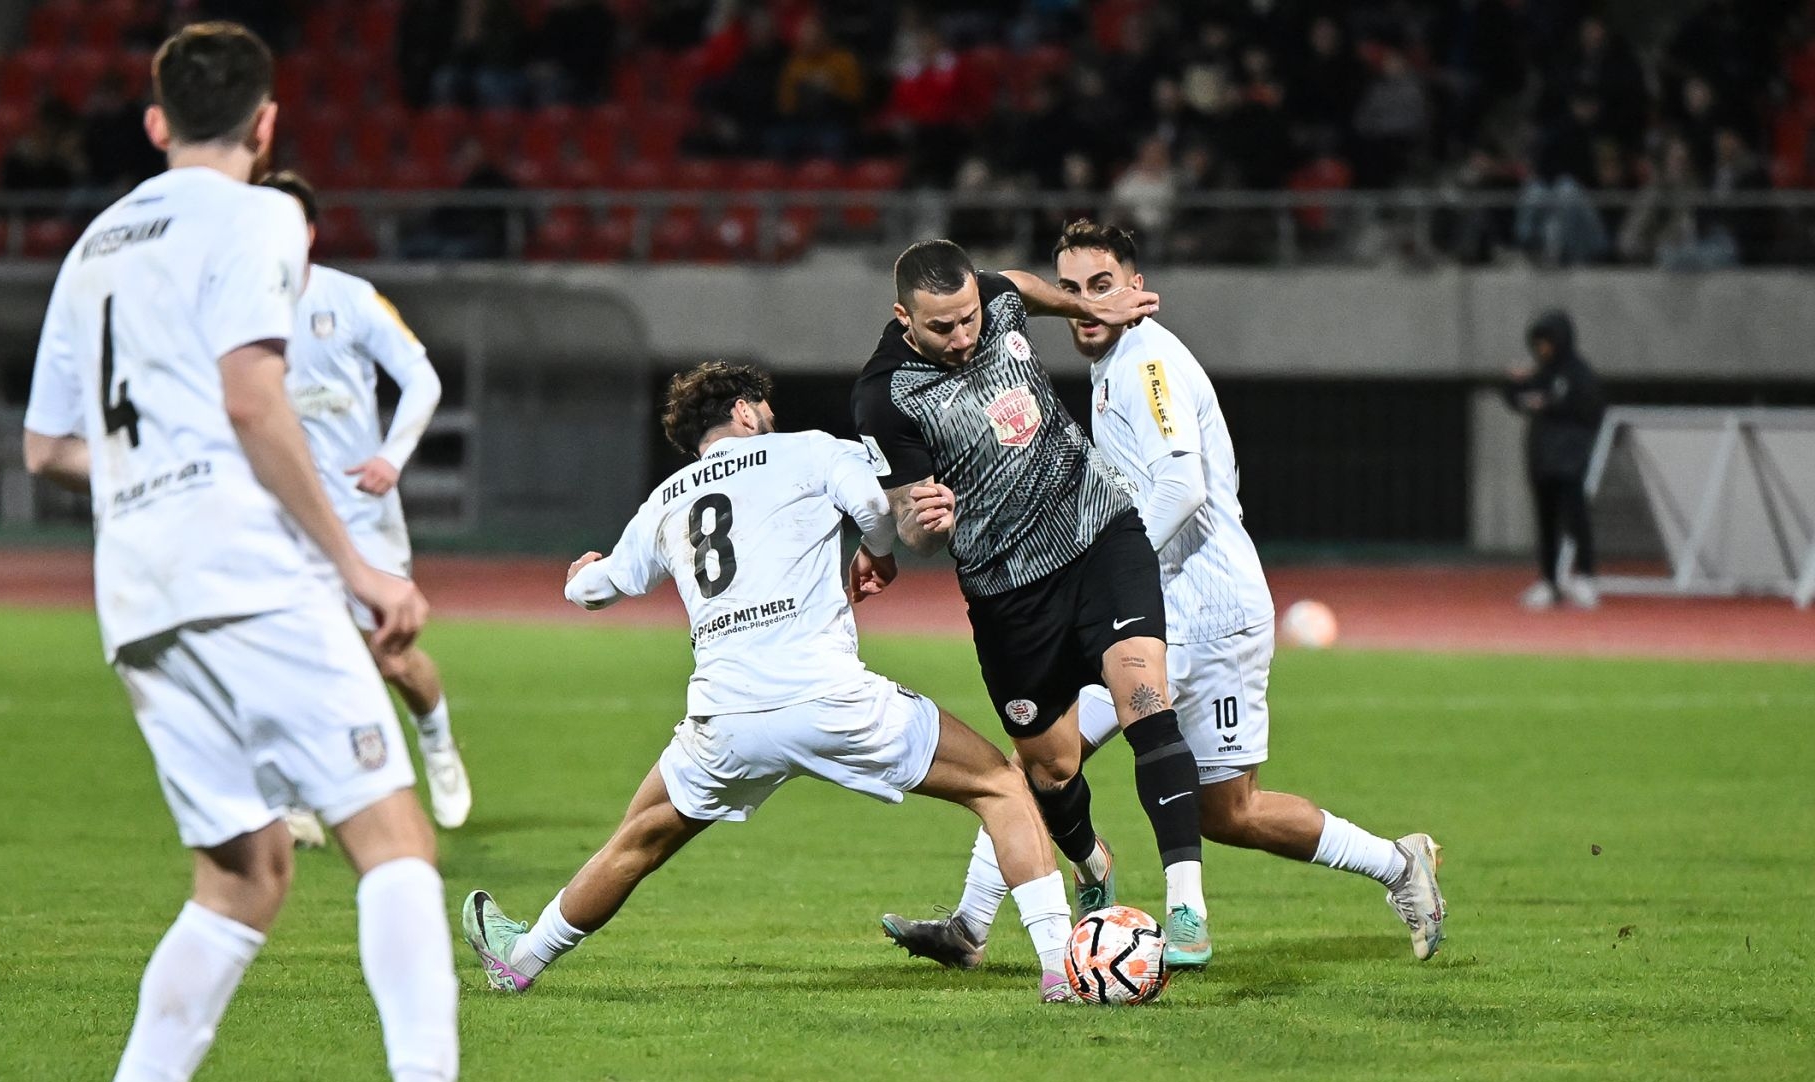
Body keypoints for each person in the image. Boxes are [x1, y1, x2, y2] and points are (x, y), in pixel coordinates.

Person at [21, 23, 565, 1082]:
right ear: (266, 126)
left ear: (155, 123)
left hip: (137, 591)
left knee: (244, 871)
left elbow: (48, 448)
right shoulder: (264, 216)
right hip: (247, 571)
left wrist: (150, 478)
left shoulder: (94, 244)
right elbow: (252, 395)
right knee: (392, 834)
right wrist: (357, 567)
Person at [883, 222, 1446, 968]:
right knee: (1044, 761)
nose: (1085, 304)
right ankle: (972, 923)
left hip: (1206, 605)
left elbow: (1182, 484)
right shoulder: (1105, 363)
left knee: (1228, 811)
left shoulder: (1149, 360)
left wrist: (1099, 568)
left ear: (1136, 286)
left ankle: (1396, 863)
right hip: (1151, 602)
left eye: (1103, 285)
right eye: (1073, 289)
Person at [459, 363, 1078, 1001]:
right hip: (832, 700)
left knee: (635, 842)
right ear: (747, 412)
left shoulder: (668, 499)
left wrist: (576, 576)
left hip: (727, 720)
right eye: (766, 409)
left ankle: (521, 960)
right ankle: (1064, 968)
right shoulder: (810, 449)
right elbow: (872, 504)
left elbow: (597, 589)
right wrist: (880, 552)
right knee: (1002, 785)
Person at [853, 239, 1216, 970]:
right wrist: (925, 523)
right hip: (1009, 593)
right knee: (1048, 771)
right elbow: (911, 527)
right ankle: (1092, 867)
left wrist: (1087, 304)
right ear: (904, 318)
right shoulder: (885, 396)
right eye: (943, 328)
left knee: (1146, 703)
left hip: (1098, 536)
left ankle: (1187, 908)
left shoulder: (996, 300)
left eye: (970, 319)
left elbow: (1019, 284)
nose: (963, 337)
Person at [260, 171, 473, 840]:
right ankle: (291, 795)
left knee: (391, 656)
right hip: (283, 516)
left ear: (312, 232)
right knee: (285, 653)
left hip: (361, 512)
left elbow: (423, 379)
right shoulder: (232, 309)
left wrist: (391, 457)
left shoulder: (349, 299)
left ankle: (436, 740)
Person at [1503, 309, 1605, 610]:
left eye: (1547, 341)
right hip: (1542, 458)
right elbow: (1516, 399)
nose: (1542, 348)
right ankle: (1549, 581)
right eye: (1538, 343)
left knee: (1576, 518)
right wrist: (1513, 383)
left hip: (1570, 458)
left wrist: (1548, 405)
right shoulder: (1540, 373)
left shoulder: (1579, 373)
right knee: (1546, 521)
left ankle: (1585, 577)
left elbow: (1586, 410)